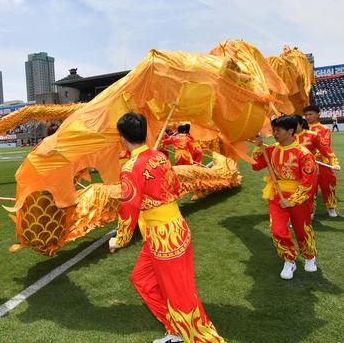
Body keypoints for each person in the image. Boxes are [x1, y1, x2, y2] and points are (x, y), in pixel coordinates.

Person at [109, 112, 223, 343]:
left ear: (122, 137)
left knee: (180, 295)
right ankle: (176, 330)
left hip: (164, 235)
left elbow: (128, 207)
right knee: (142, 279)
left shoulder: (132, 167)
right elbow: (173, 185)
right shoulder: (160, 157)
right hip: (168, 229)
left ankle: (206, 339)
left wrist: (119, 239)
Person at [251, 115, 318, 280]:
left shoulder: (304, 154)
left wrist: (293, 200)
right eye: (273, 130)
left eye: (278, 130)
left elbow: (310, 182)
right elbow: (256, 166)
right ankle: (289, 259)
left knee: (302, 229)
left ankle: (310, 256)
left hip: (298, 198)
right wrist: (258, 148)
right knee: (277, 230)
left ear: (290, 131)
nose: (274, 133)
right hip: (276, 196)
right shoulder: (271, 149)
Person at [304, 106, 340, 217]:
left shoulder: (324, 128)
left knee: (328, 185)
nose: (308, 117)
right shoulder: (302, 129)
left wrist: (315, 156)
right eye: (306, 115)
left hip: (323, 162)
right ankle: (310, 211)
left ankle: (331, 207)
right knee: (309, 187)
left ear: (318, 114)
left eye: (311, 114)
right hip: (307, 163)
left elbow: (325, 144)